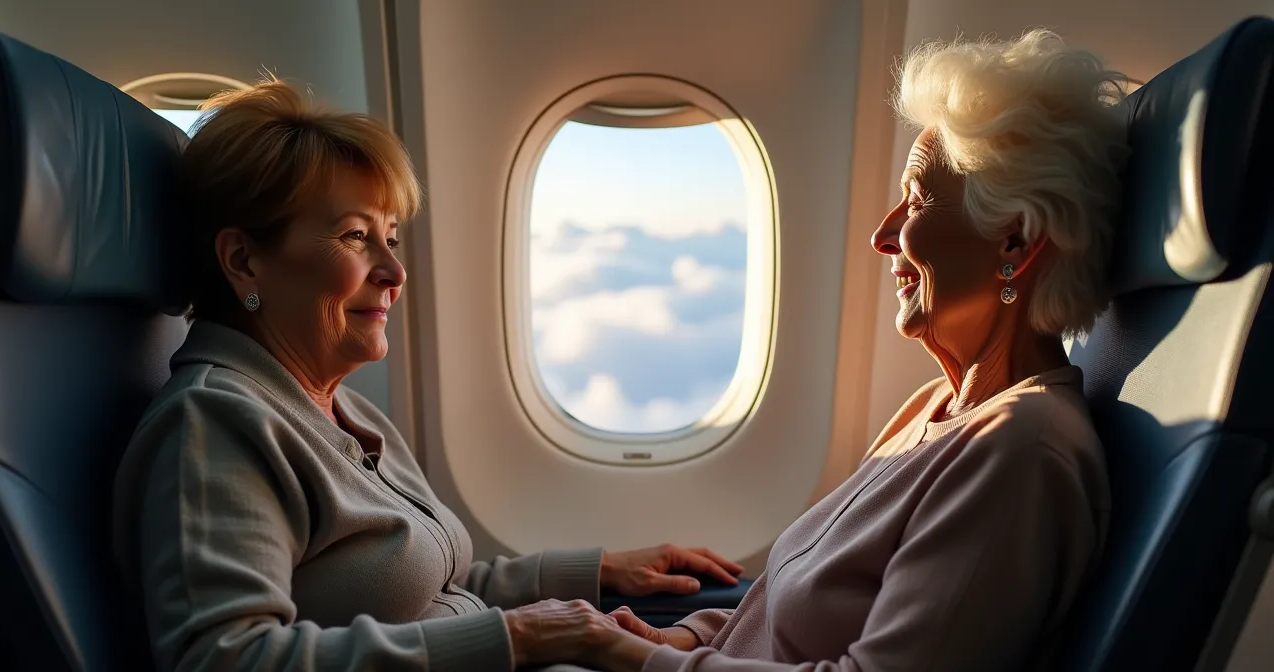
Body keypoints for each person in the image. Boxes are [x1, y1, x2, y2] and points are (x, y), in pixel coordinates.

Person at [538, 27, 1129, 672]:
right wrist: (683, 637)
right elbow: (788, 597)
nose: (884, 234)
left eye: (918, 198)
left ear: (1014, 241)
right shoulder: (937, 408)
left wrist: (621, 654)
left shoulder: (1018, 454)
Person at [110, 79, 743, 672]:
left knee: (751, 601)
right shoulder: (214, 428)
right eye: (357, 237)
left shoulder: (341, 413)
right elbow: (228, 657)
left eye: (391, 236)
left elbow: (433, 588)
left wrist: (598, 571)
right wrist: (526, 636)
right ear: (244, 261)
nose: (394, 271)